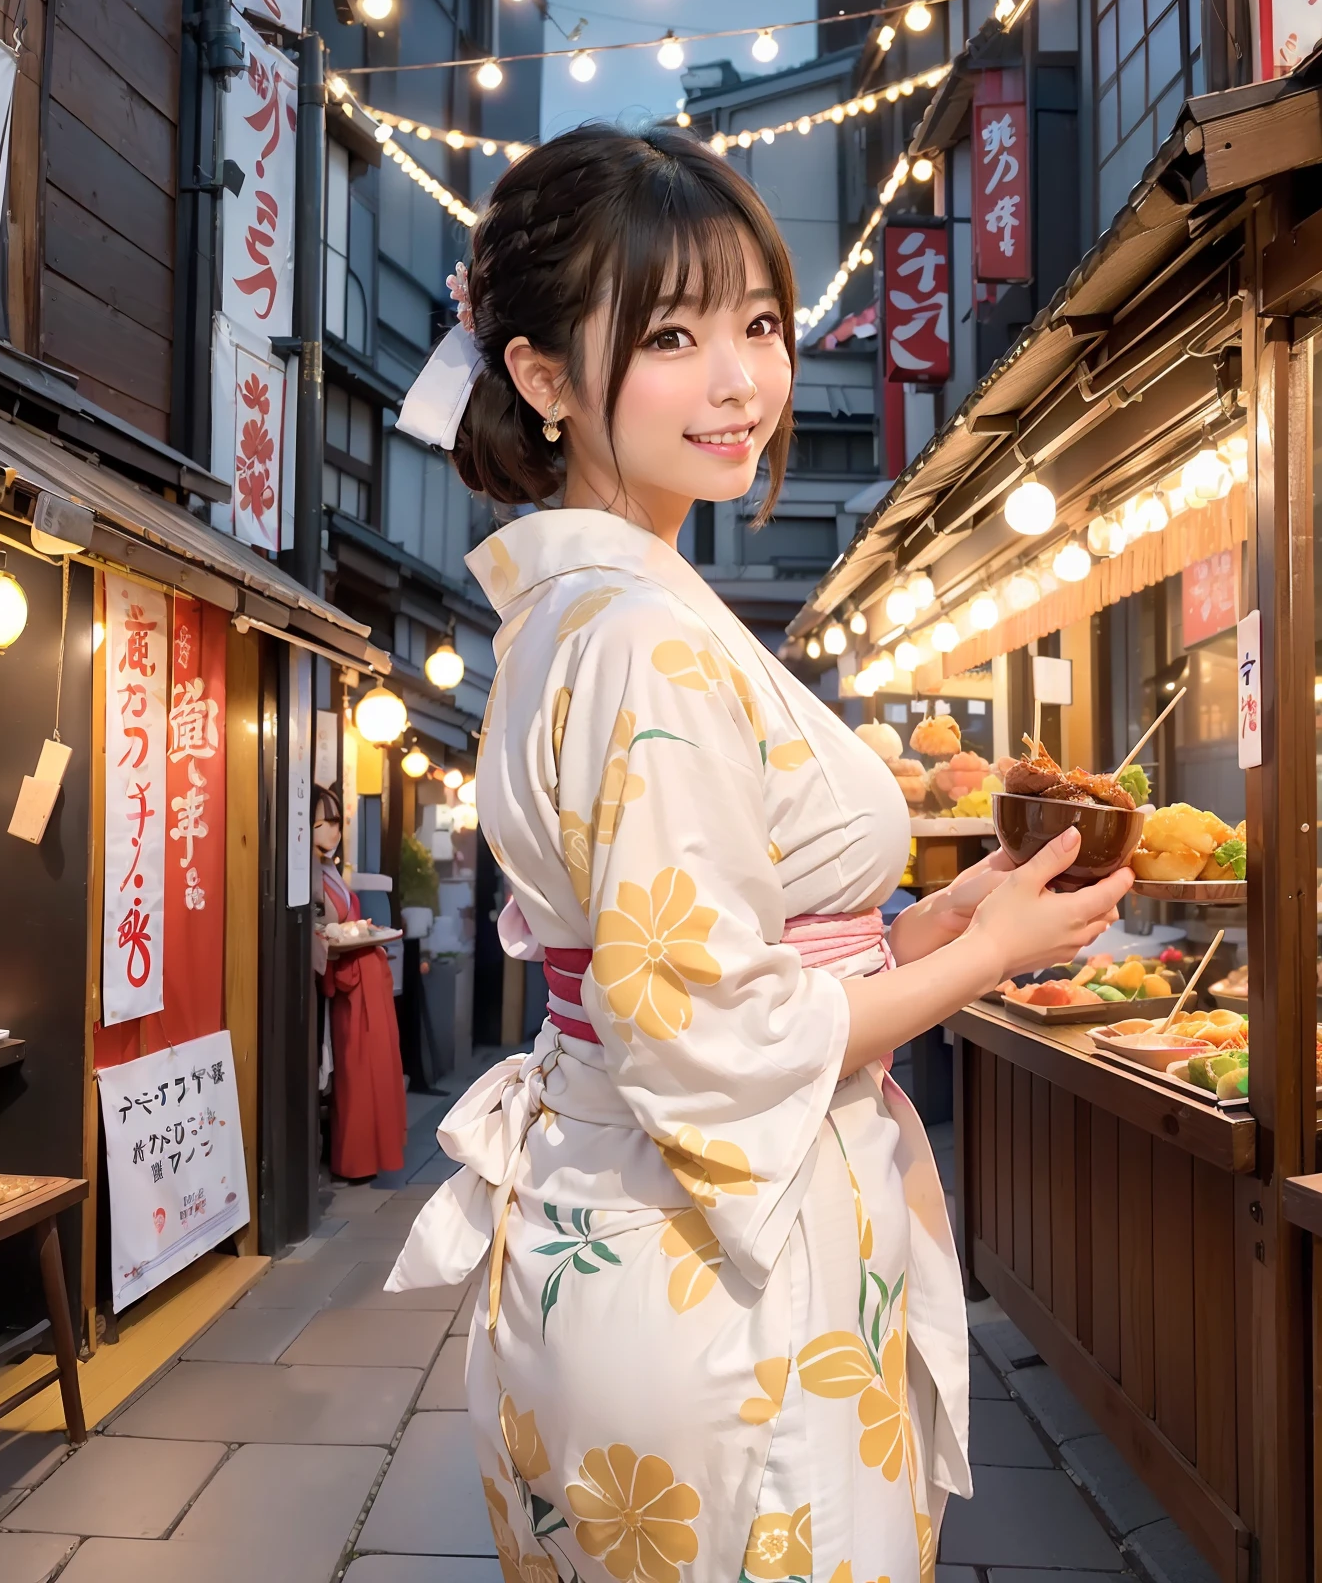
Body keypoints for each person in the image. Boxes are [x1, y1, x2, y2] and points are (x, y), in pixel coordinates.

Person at [387, 126, 1130, 1583]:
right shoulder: (647, 639)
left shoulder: (598, 615)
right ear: (540, 375)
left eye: (762, 324)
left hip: (643, 1245)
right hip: (720, 1289)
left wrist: (928, 928)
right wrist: (987, 956)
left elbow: (718, 957)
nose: (741, 380)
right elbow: (709, 1035)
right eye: (671, 333)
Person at [316, 785, 408, 1181]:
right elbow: (318, 931)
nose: (333, 832)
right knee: (356, 1074)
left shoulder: (328, 870)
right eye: (324, 823)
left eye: (336, 823)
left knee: (371, 1070)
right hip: (349, 981)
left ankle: (365, 1156)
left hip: (362, 974)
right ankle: (355, 1158)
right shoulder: (309, 874)